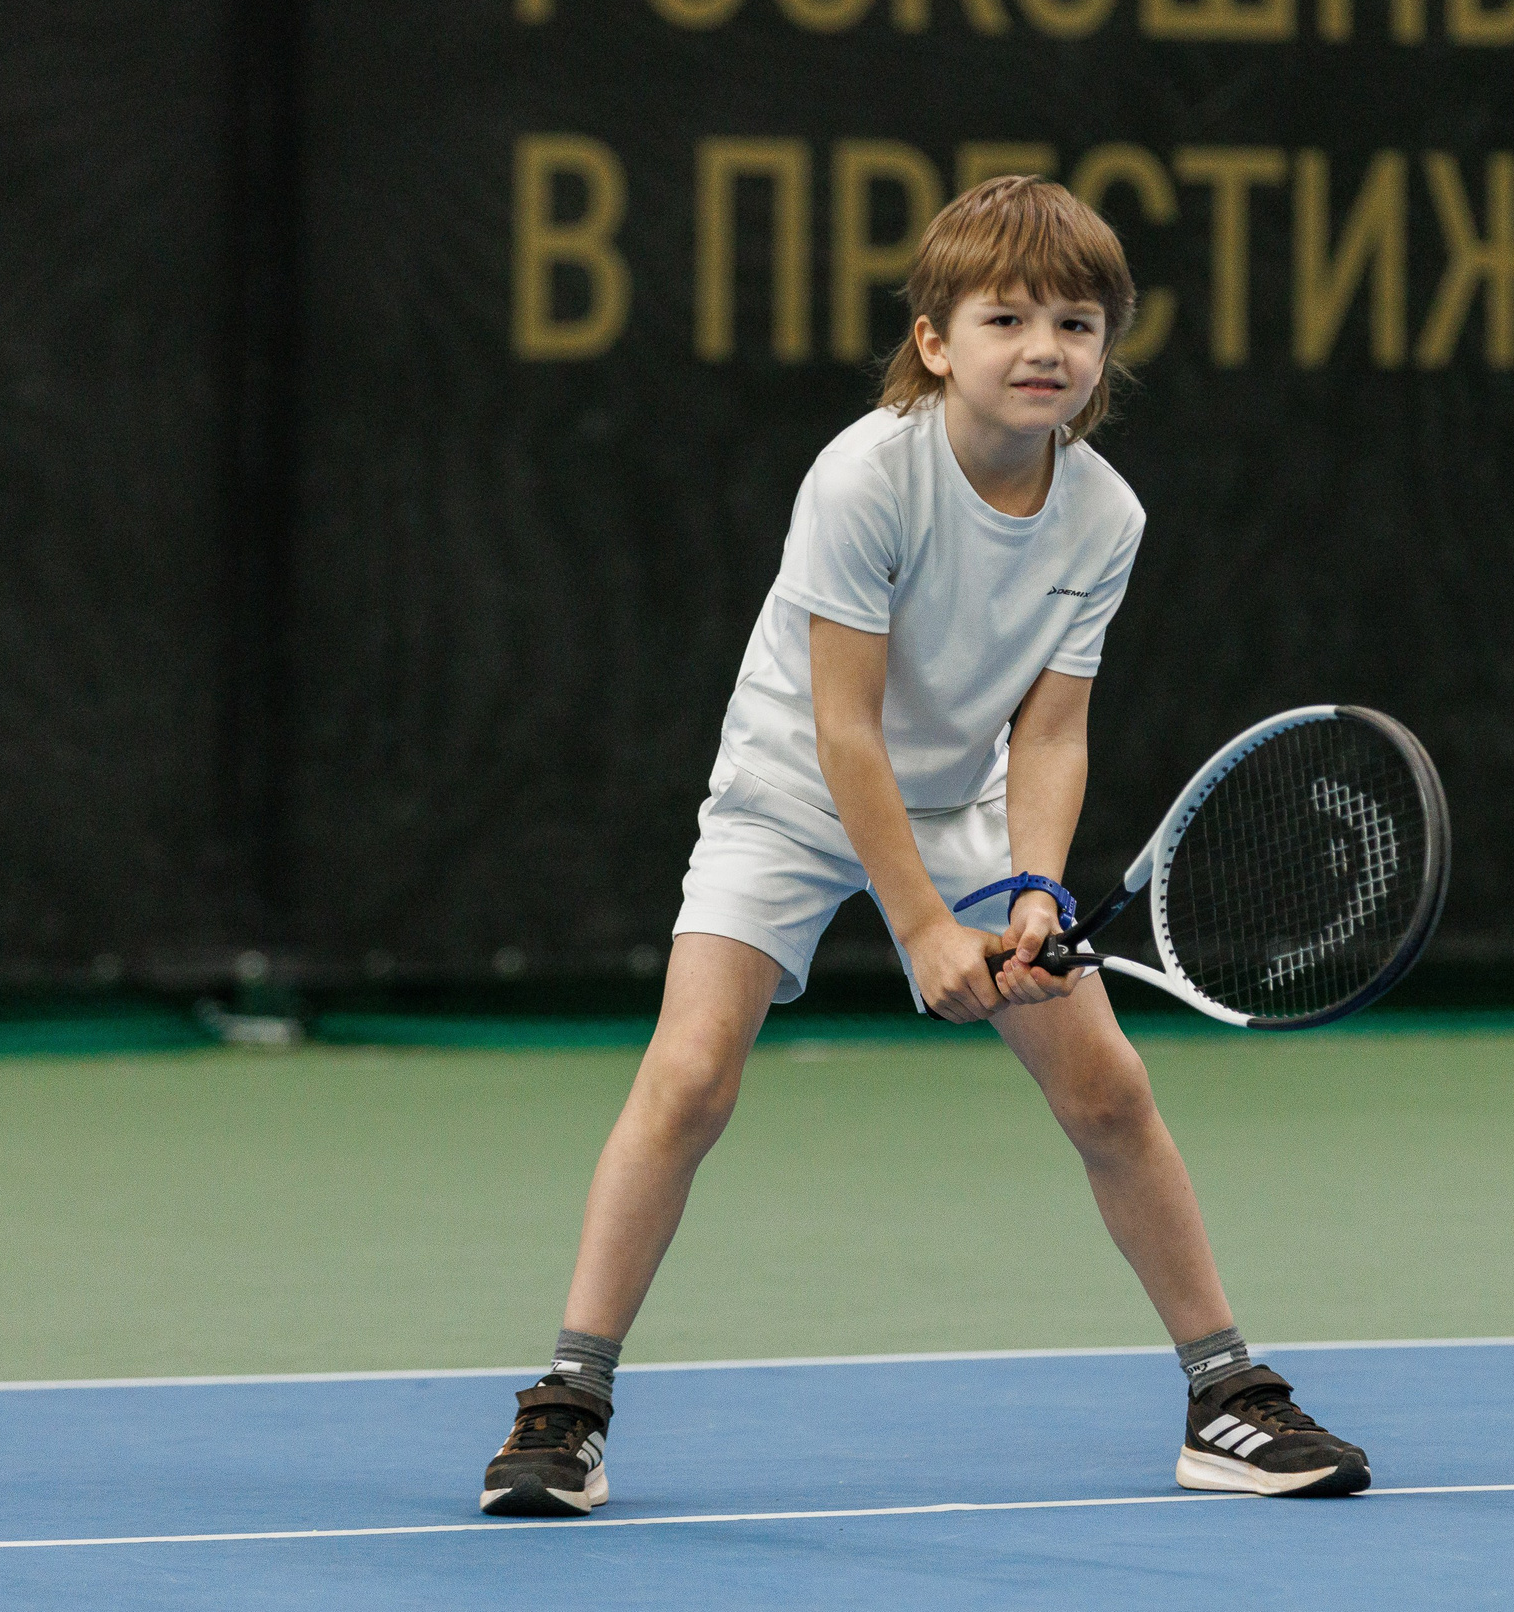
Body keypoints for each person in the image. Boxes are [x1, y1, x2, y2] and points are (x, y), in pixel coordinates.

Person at [480, 176, 1368, 1516]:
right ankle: (568, 1404)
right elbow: (846, 731)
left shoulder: (1107, 517)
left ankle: (1226, 1395)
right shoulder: (865, 476)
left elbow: (1051, 732)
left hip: (963, 807)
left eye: (1076, 323)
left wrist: (1030, 889)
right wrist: (922, 927)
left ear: (1105, 352)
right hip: (790, 792)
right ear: (936, 341)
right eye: (1006, 317)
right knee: (691, 1074)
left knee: (1109, 1094)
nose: (1044, 347)